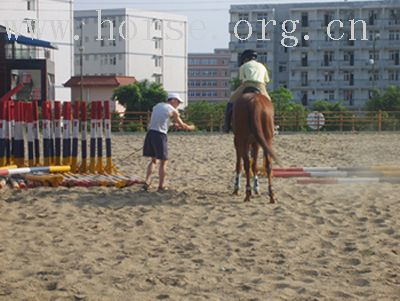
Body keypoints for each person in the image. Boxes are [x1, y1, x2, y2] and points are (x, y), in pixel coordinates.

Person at [142, 92, 195, 192]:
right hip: (160, 135)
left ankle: (147, 181)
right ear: (173, 100)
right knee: (163, 161)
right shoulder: (172, 109)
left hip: (150, 133)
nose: (178, 105)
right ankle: (161, 185)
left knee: (153, 160)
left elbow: (159, 120)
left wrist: (170, 125)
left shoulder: (157, 106)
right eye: (178, 102)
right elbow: (182, 125)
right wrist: (191, 127)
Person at [224, 49, 271, 133]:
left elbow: (242, 81)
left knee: (230, 101)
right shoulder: (262, 66)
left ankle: (227, 125)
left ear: (245, 59)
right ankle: (272, 125)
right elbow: (266, 81)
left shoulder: (244, 66)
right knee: (269, 103)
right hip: (260, 86)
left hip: (247, 84)